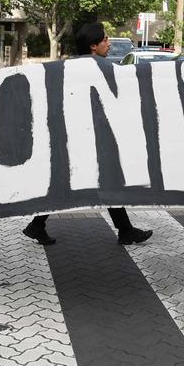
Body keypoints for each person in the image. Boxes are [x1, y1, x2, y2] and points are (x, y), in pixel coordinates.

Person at [22, 23, 153, 247]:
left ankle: (38, 225)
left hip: (76, 137)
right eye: (105, 40)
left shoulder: (68, 67)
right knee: (99, 182)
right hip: (85, 139)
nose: (109, 43)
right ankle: (125, 230)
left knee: (81, 184)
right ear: (93, 46)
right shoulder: (99, 68)